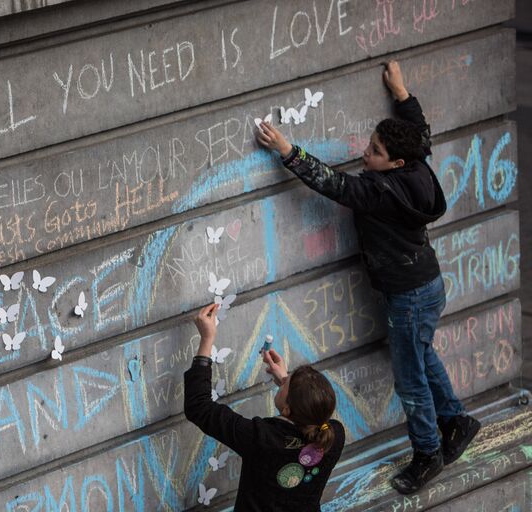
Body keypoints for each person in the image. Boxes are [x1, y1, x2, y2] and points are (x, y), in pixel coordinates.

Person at [254, 60, 480, 495]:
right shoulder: (417, 167)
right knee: (422, 353)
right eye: (371, 144)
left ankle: (428, 453)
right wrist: (401, 93)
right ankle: (456, 419)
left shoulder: (380, 192)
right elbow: (420, 132)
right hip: (428, 284)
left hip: (409, 296)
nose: (365, 154)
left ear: (395, 163)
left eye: (375, 152)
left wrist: (286, 149)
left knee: (410, 376)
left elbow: (334, 185)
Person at [184, 303, 345, 511]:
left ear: (287, 410)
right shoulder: (334, 436)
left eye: (285, 384)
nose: (283, 379)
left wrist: (207, 340)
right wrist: (287, 382)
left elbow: (199, 407)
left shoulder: (261, 439)